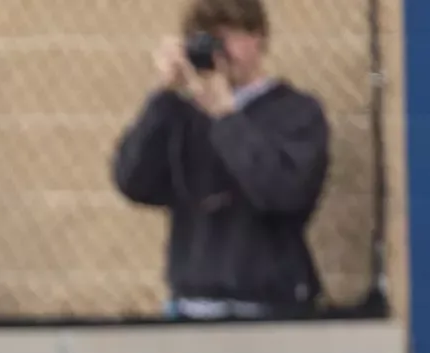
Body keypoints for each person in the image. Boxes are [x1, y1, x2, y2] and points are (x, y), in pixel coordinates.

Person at [111, 0, 330, 319]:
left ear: (259, 38)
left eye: (232, 34)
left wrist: (226, 116)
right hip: (191, 300)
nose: (221, 49)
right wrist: (163, 95)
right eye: (209, 37)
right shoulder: (183, 115)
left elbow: (283, 192)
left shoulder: (297, 112)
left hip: (270, 302)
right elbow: (131, 180)